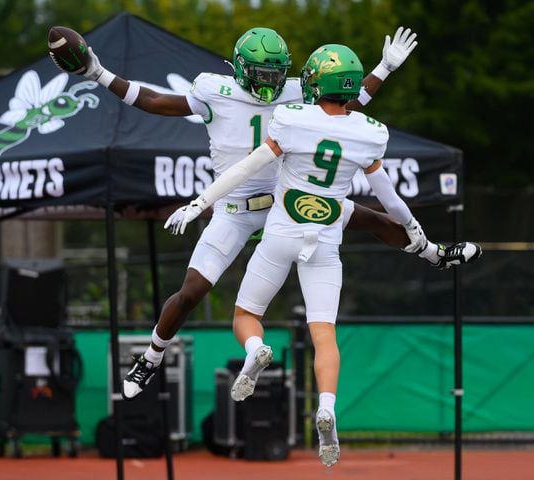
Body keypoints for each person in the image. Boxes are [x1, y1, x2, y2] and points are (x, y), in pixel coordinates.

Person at [65, 26, 481, 401]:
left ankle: (435, 254)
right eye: (262, 75)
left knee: (371, 219)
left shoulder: (296, 91)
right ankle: (153, 356)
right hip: (234, 206)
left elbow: (344, 105)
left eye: (276, 75)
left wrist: (383, 69)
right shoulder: (215, 91)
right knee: (191, 290)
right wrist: (101, 75)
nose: (270, 85)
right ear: (241, 69)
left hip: (287, 200)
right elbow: (156, 100)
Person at [163, 43, 465, 466]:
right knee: (324, 333)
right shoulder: (369, 131)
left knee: (246, 317)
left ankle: (255, 352)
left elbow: (245, 168)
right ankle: (327, 406)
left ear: (313, 82)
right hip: (326, 236)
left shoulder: (291, 118)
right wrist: (415, 232)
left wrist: (199, 203)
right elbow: (389, 200)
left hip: (283, 229)